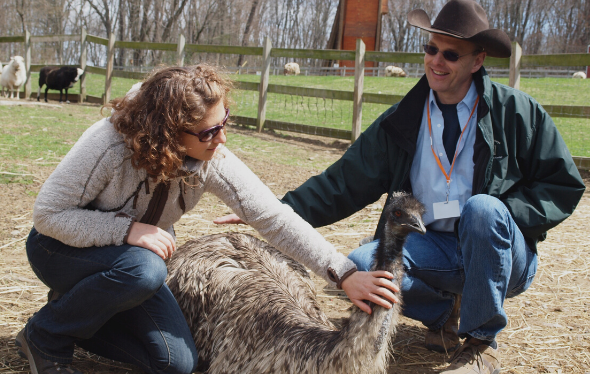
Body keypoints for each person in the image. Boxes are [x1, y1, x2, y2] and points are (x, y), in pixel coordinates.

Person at [214, 1, 586, 372]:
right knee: (363, 265)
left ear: (477, 60)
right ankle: (445, 312)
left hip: (498, 250)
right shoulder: (404, 119)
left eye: (451, 54)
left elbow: (563, 184)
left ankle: (480, 343)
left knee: (483, 210)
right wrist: (273, 211)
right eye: (431, 49)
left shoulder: (517, 113)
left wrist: (506, 216)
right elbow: (342, 182)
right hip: (432, 246)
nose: (436, 62)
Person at [16, 64, 401, 374]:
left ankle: (74, 312)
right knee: (147, 269)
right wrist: (128, 229)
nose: (222, 139)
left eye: (225, 122)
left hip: (127, 262)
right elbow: (49, 214)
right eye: (210, 131)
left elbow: (271, 216)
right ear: (167, 133)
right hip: (61, 249)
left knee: (177, 362)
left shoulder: (209, 158)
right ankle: (45, 334)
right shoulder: (109, 144)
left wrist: (344, 272)